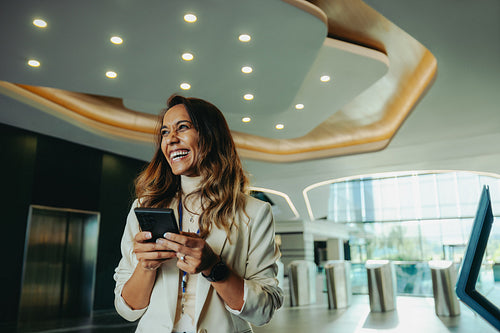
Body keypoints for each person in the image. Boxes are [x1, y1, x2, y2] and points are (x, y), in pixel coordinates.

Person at [114, 94, 283, 332]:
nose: (170, 139)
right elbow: (127, 309)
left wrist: (214, 267)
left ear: (211, 136)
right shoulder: (145, 207)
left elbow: (264, 310)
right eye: (164, 132)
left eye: (182, 128)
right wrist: (146, 266)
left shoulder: (254, 212)